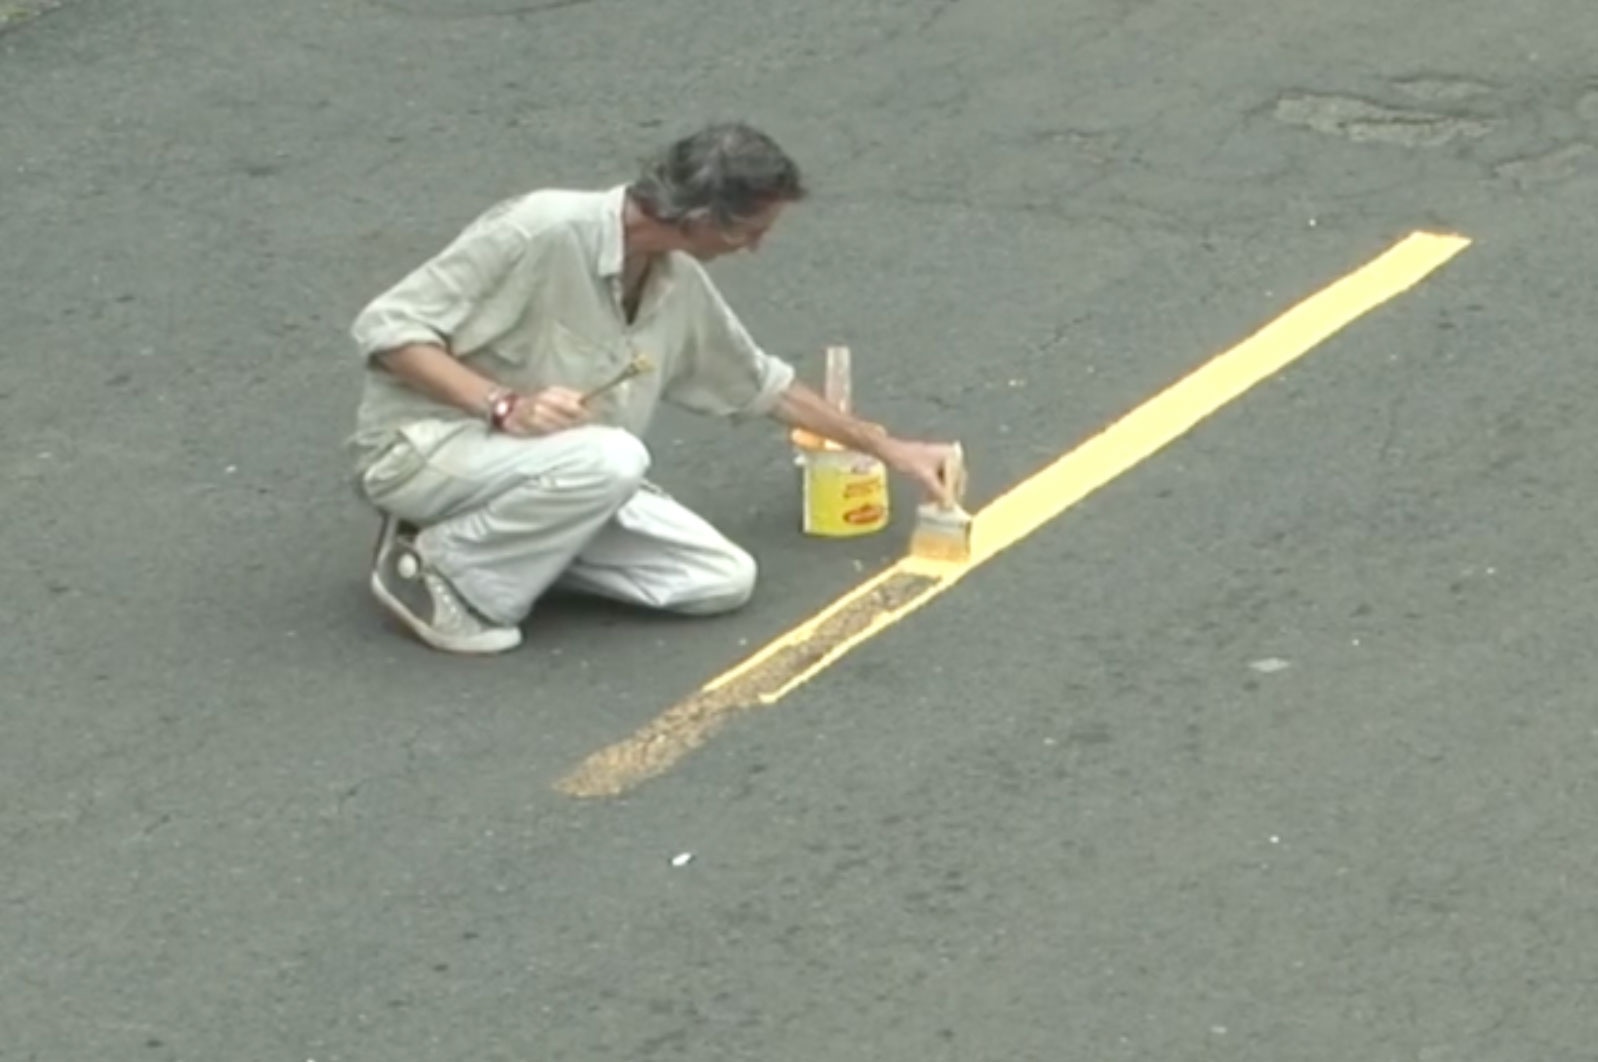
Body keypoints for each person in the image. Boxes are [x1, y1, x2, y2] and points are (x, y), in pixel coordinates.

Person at [344, 121, 957, 654]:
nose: (758, 248)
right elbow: (388, 328)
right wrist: (502, 405)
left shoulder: (675, 280)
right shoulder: (541, 230)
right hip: (425, 451)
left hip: (560, 470)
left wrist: (888, 448)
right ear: (699, 220)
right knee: (614, 458)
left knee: (719, 579)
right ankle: (435, 570)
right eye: (751, 231)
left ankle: (521, 545)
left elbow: (760, 385)